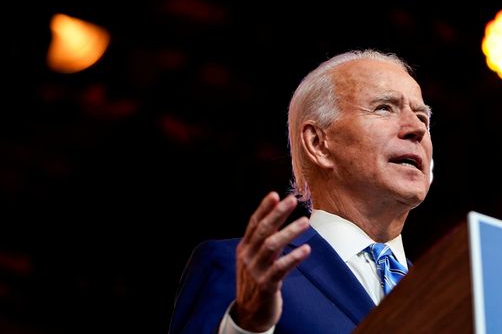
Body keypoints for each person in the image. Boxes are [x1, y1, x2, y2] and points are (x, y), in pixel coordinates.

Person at [168, 49, 434, 333]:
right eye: (384, 108)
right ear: (318, 143)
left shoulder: (447, 294)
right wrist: (246, 327)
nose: (415, 129)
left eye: (422, 117)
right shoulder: (243, 271)